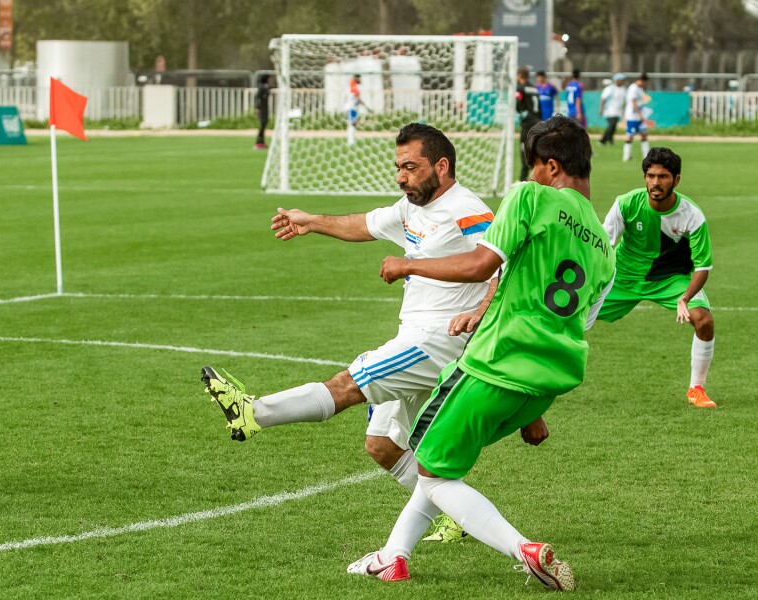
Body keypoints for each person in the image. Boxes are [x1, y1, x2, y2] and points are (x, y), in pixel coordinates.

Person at [345, 116, 615, 589]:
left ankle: (523, 549)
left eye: (532, 167)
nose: (529, 176)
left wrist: (408, 262)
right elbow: (575, 316)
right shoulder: (603, 245)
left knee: (426, 465)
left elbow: (482, 264)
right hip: (547, 381)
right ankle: (393, 557)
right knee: (440, 463)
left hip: (492, 365)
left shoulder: (531, 196)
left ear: (550, 167)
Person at [202, 122, 498, 543]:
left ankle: (254, 413)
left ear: (442, 165)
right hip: (415, 335)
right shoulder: (411, 206)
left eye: (410, 166)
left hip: (436, 342)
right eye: (398, 167)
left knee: (349, 383)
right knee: (381, 445)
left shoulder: (468, 209)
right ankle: (452, 514)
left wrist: (480, 310)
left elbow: (498, 266)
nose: (401, 176)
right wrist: (310, 222)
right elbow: (363, 224)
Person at [597, 147, 716, 408]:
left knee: (704, 320)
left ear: (676, 179)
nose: (655, 182)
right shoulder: (626, 203)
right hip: (624, 276)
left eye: (663, 177)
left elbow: (702, 267)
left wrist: (685, 298)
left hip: (671, 280)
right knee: (571, 314)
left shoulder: (692, 215)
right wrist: (594, 282)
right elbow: (603, 245)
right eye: (650, 176)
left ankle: (696, 389)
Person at [515, 67, 541, 182]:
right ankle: (535, 177)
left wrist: (521, 113)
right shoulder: (534, 88)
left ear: (519, 76)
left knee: (524, 150)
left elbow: (518, 104)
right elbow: (539, 107)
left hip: (527, 124)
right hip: (537, 121)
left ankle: (522, 180)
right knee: (535, 149)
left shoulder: (521, 88)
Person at [623, 73, 651, 161]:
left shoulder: (640, 89)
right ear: (642, 81)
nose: (646, 84)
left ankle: (646, 156)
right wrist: (640, 115)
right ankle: (626, 156)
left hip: (640, 116)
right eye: (645, 82)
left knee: (644, 135)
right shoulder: (633, 88)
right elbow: (633, 102)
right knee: (630, 136)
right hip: (633, 116)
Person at [599, 73, 628, 145]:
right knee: (611, 125)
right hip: (610, 110)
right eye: (622, 80)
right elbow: (603, 99)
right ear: (617, 80)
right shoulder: (610, 88)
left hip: (618, 111)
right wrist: (601, 109)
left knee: (613, 127)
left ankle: (608, 140)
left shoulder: (624, 89)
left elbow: (625, 101)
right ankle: (603, 140)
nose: (623, 81)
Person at [345, 74, 368, 146]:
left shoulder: (352, 86)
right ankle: (350, 141)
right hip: (352, 108)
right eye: (359, 78)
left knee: (353, 124)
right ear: (356, 79)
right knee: (352, 124)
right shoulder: (354, 87)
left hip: (352, 108)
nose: (361, 80)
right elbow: (357, 98)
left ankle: (352, 140)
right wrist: (366, 106)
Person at [254, 74, 271, 150]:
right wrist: (257, 107)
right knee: (262, 123)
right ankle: (259, 142)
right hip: (262, 108)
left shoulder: (266, 86)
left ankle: (262, 141)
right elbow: (257, 97)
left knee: (264, 124)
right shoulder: (262, 86)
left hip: (265, 107)